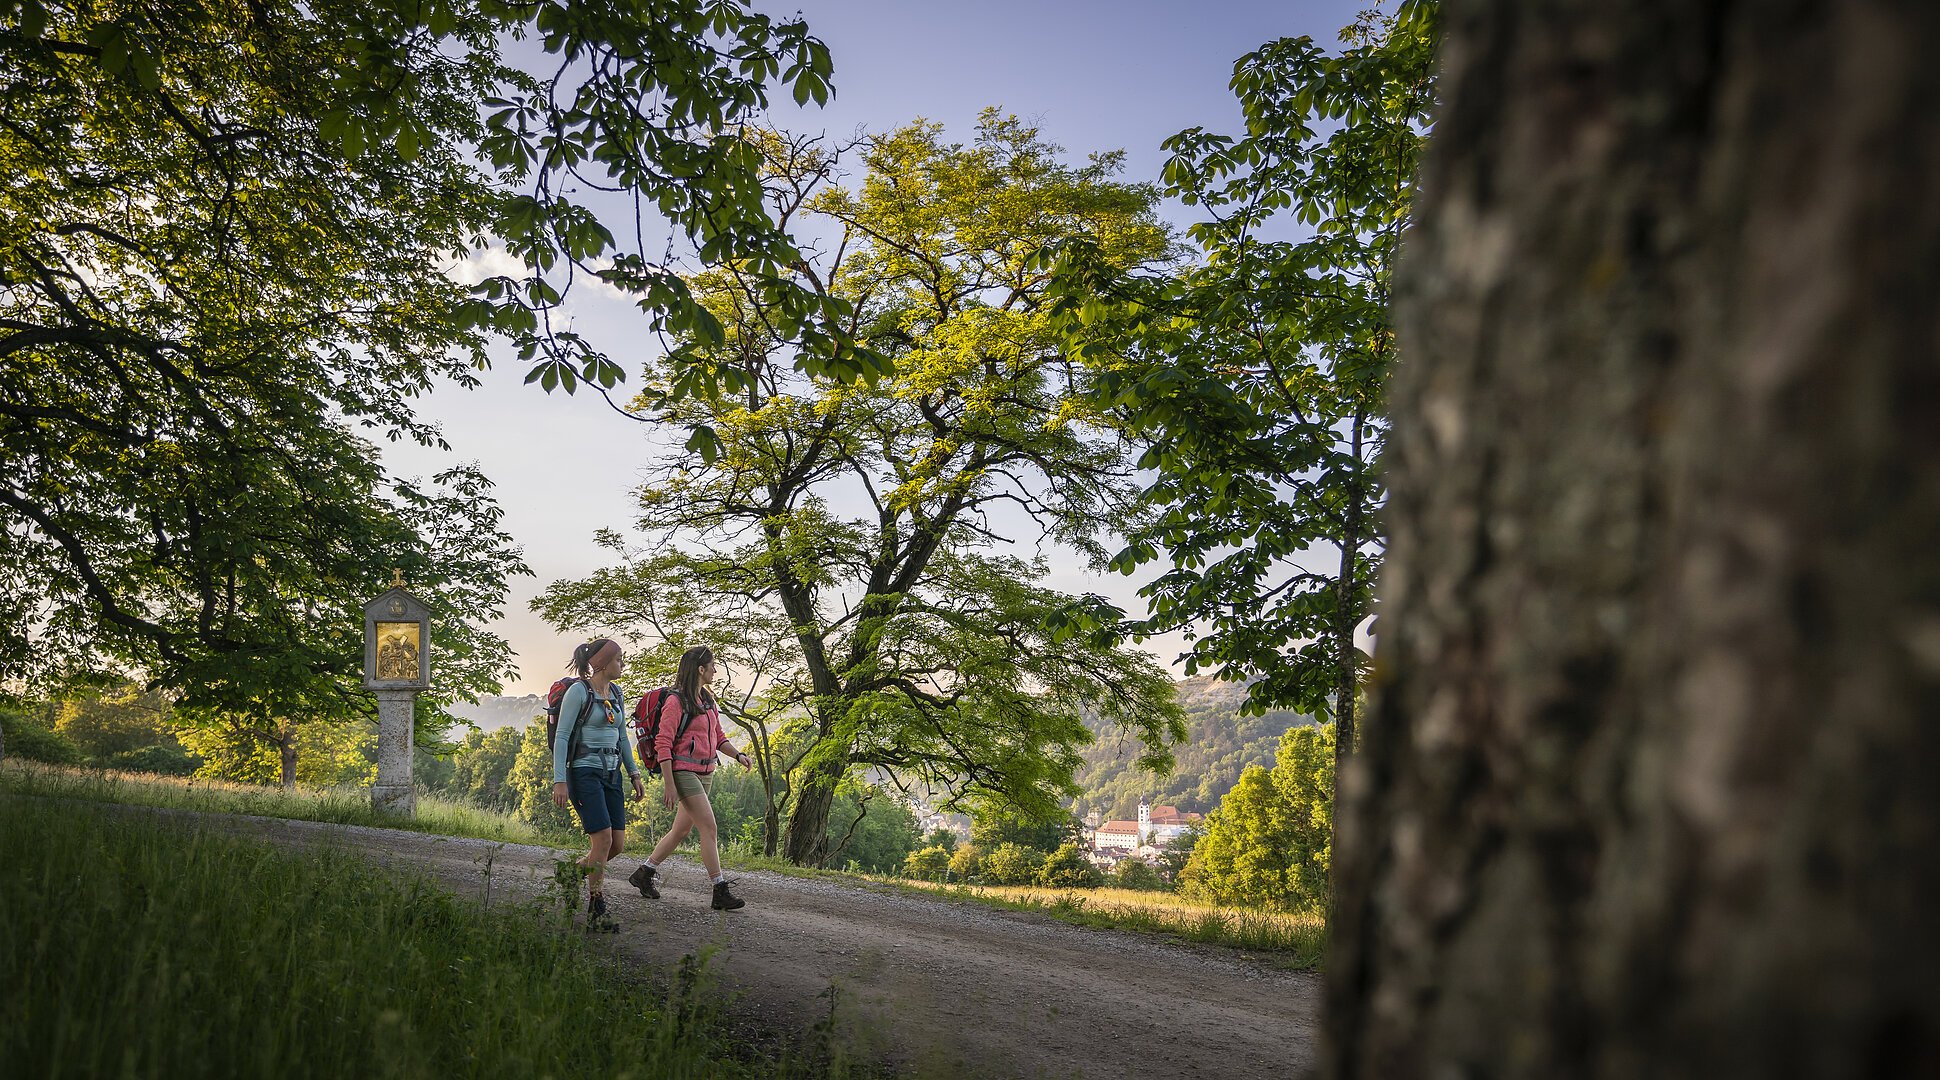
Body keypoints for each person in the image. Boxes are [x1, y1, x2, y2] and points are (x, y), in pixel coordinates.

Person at [628, 645, 753, 910]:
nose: (715, 671)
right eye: (712, 666)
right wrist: (670, 784)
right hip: (684, 772)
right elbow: (663, 743)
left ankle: (644, 873)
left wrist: (738, 755)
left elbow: (718, 737)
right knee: (709, 828)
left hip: (706, 771)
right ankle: (719, 890)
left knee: (680, 830)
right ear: (700, 669)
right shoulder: (676, 701)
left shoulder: (707, 699)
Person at [550, 637, 645, 932]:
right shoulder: (579, 692)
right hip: (583, 772)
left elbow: (621, 738)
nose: (622, 664)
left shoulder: (615, 693)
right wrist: (560, 781)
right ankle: (597, 906)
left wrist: (634, 773)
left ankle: (573, 873)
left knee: (616, 844)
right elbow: (563, 737)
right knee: (602, 839)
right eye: (618, 659)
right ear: (602, 663)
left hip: (612, 774)